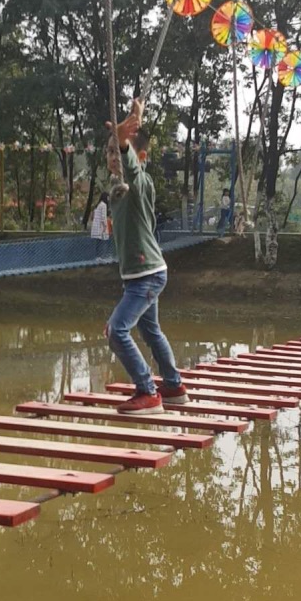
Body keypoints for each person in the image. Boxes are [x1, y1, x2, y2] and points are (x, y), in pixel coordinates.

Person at [105, 100, 189, 415]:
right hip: (140, 274)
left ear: (140, 159)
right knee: (150, 330)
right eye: (110, 151)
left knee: (117, 330)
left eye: (120, 151)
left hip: (147, 274)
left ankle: (148, 391)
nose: (114, 157)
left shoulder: (139, 183)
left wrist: (126, 141)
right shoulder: (120, 185)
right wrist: (132, 125)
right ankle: (174, 386)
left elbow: (133, 170)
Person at [90, 192, 110, 260]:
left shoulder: (98, 205)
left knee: (98, 242)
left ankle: (97, 256)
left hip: (96, 226)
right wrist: (105, 227)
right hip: (101, 227)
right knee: (103, 242)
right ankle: (102, 256)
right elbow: (103, 217)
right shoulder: (104, 205)